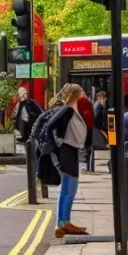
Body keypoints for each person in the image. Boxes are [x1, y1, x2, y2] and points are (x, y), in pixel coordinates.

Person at [42, 84, 89, 238]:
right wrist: (59, 143)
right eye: (81, 93)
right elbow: (51, 126)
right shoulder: (67, 109)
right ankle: (63, 223)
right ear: (76, 94)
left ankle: (64, 222)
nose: (83, 96)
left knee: (68, 189)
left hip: (69, 150)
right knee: (69, 189)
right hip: (67, 152)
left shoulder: (70, 108)